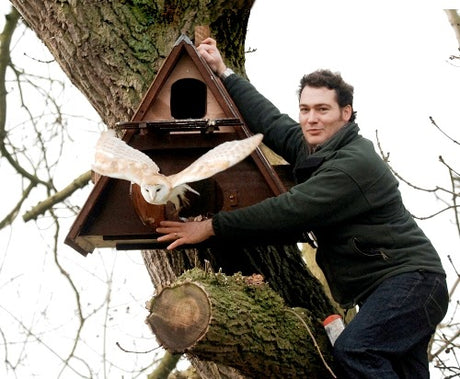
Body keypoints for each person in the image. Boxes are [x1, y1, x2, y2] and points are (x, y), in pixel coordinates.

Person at [156, 38, 448, 378]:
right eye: (305, 109)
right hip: (399, 287)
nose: (312, 119)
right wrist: (225, 74)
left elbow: (289, 210)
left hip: (411, 282)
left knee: (356, 351)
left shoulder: (351, 165)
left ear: (346, 113)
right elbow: (273, 122)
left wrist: (210, 226)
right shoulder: (319, 149)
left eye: (322, 110)